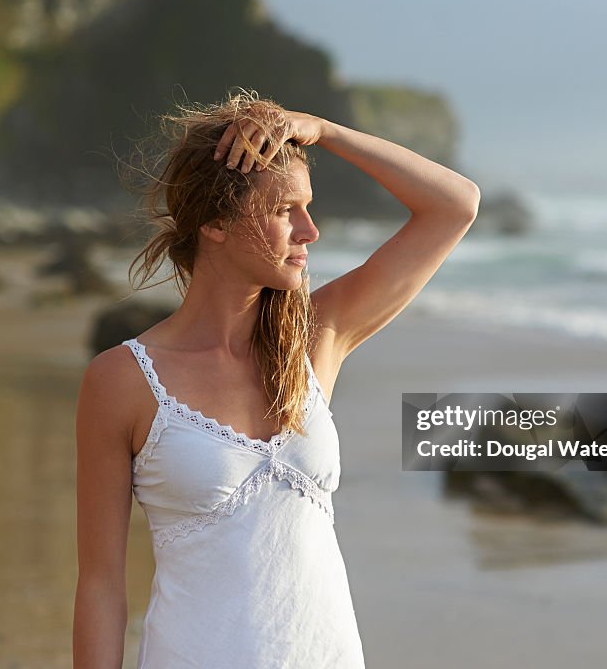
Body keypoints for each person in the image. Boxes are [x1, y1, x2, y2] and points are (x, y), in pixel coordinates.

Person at [73, 90, 480, 668]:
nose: (309, 231)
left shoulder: (316, 340)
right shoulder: (124, 379)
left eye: (308, 207)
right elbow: (100, 585)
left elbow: (455, 206)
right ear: (215, 221)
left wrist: (324, 130)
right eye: (285, 209)